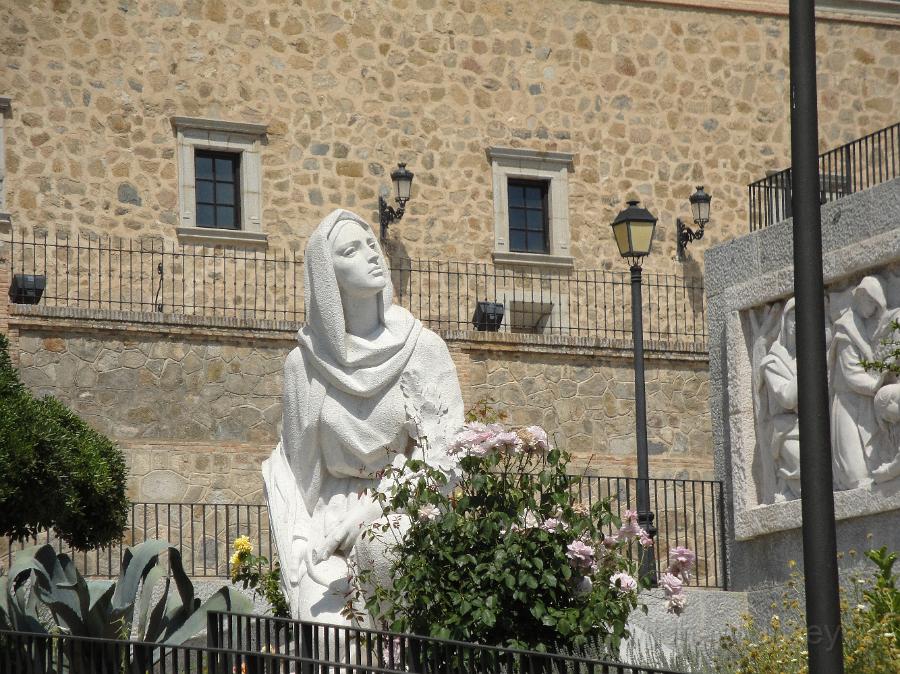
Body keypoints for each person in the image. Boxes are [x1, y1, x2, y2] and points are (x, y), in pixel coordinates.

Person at [262, 209, 464, 623]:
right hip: (328, 526)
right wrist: (302, 547)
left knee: (391, 597)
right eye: (351, 250)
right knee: (334, 642)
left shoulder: (422, 349)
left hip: (403, 515)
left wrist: (375, 509)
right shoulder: (304, 365)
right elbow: (300, 475)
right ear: (326, 273)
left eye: (371, 244)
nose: (372, 254)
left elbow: (446, 454)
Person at [828, 276, 887, 490]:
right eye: (872, 304)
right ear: (862, 297)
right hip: (847, 405)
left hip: (863, 403)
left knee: (871, 462)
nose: (873, 311)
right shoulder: (845, 329)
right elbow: (851, 373)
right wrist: (876, 385)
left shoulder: (864, 326)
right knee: (854, 471)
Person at [761, 299, 801, 500]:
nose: (798, 324)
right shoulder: (772, 362)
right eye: (793, 319)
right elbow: (787, 398)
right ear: (784, 322)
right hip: (786, 430)